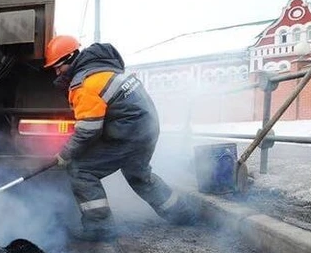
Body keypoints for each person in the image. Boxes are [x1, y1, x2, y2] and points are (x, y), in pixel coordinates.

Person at [45, 35, 197, 241]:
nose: (57, 72)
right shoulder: (103, 70)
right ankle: (185, 214)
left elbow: (88, 130)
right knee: (139, 176)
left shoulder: (85, 84)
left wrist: (64, 155)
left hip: (129, 134)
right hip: (146, 128)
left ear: (71, 57)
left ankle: (100, 229)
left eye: (58, 66)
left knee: (80, 170)